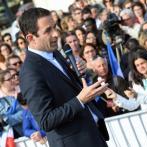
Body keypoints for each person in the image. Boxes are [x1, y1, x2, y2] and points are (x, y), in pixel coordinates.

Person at [18, 8, 109, 147]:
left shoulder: (56, 54)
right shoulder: (29, 72)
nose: (56, 33)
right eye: (48, 31)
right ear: (30, 38)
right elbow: (46, 120)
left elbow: (68, 89)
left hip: (94, 135)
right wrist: (80, 100)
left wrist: (77, 73)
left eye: (55, 27)